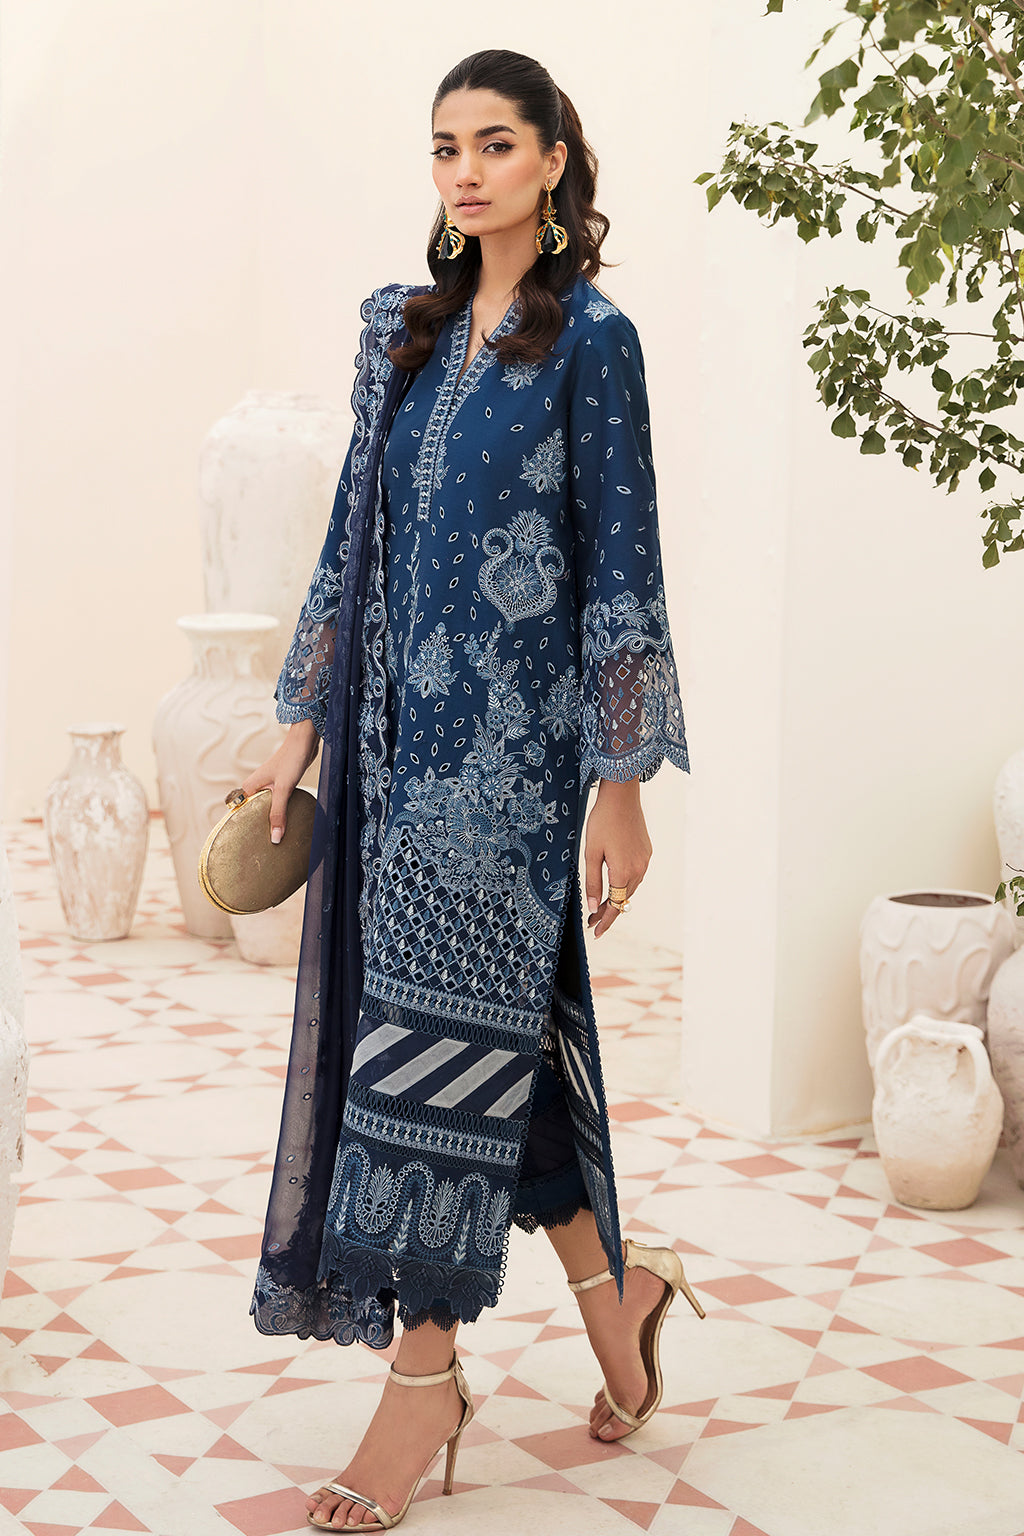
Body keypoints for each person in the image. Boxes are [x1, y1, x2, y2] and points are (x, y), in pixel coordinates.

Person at [241, 47, 700, 1534]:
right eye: (447, 147)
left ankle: (422, 1384)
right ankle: (621, 1309)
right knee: (497, 1055)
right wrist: (300, 724)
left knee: (426, 1064)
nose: (466, 172)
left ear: (554, 159)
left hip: (510, 777)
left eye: (496, 144)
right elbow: (346, 538)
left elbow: (621, 564)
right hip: (390, 756)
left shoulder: (592, 345)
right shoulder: (405, 332)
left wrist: (621, 784)